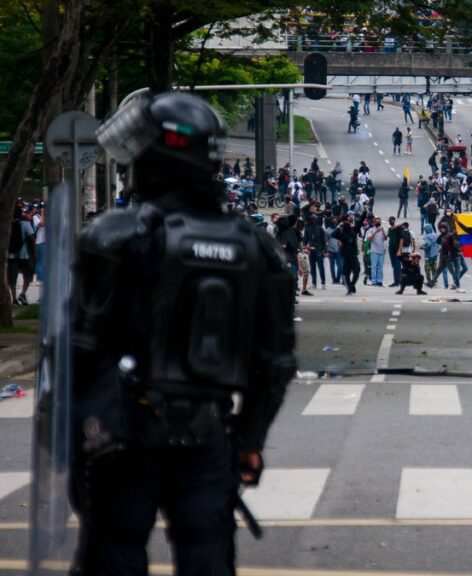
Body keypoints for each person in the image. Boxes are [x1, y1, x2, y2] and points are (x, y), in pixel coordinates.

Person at [75, 91, 296, 575]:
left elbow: (78, 349)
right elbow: (275, 360)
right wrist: (251, 439)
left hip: (121, 439)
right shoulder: (255, 245)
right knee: (208, 561)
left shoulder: (116, 235)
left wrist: (80, 435)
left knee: (113, 556)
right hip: (207, 436)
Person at [7, 206, 35, 306]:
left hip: (10, 256)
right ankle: (22, 294)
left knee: (12, 277)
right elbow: (32, 238)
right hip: (24, 255)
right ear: (21, 214)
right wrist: (33, 252)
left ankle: (14, 298)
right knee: (27, 275)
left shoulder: (7, 225)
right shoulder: (25, 224)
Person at [333, 215, 361, 295]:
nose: (348, 222)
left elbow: (360, 223)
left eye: (348, 221)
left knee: (357, 270)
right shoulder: (341, 231)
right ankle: (349, 289)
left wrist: (364, 213)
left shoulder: (353, 229)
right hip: (345, 255)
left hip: (353, 254)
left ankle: (352, 284)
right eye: (346, 220)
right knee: (346, 273)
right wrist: (339, 226)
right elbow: (333, 234)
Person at [304, 214, 327, 290]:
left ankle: (323, 282)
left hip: (319, 250)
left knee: (321, 267)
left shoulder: (320, 229)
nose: (311, 221)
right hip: (311, 251)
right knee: (312, 268)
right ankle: (314, 283)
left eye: (313, 219)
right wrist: (304, 248)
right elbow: (305, 239)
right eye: (311, 219)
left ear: (316, 220)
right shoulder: (308, 229)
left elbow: (324, 240)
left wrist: (325, 250)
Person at [367, 217, 387, 286]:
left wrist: (383, 231)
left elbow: (385, 238)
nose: (378, 223)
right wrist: (375, 232)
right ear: (374, 222)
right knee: (374, 266)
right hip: (374, 251)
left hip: (381, 251)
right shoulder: (371, 230)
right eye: (377, 222)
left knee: (380, 267)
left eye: (379, 222)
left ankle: (379, 281)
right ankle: (374, 281)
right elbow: (369, 238)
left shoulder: (382, 230)